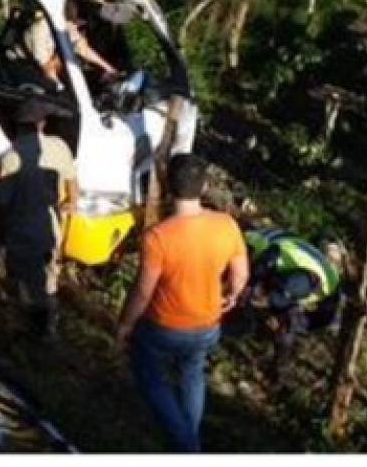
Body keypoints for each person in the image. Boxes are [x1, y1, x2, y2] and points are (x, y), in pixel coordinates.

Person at [115, 154, 248, 452]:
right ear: (203, 188)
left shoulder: (158, 237)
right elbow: (240, 274)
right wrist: (231, 294)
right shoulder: (226, 224)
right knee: (192, 373)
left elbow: (143, 292)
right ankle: (187, 440)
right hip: (208, 324)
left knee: (147, 372)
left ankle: (186, 446)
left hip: (163, 328)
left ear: (167, 186)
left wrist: (125, 325)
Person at [0, 98, 76, 336]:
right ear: (42, 123)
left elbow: (1, 202)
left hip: (22, 231)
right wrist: (68, 206)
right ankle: (49, 328)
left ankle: (30, 331)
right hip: (50, 228)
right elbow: (73, 186)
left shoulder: (10, 156)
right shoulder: (60, 147)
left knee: (23, 283)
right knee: (48, 280)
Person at [243, 227, 343, 380]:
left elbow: (324, 319)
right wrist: (250, 291)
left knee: (287, 326)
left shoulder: (331, 287)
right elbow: (255, 273)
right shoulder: (273, 255)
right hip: (260, 245)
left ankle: (278, 372)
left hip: (288, 261)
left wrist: (295, 324)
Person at [17, 0, 119, 86]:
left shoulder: (67, 26)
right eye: (75, 22)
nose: (77, 27)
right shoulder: (41, 30)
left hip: (47, 69)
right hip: (24, 67)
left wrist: (109, 69)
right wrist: (66, 47)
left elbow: (84, 49)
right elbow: (47, 70)